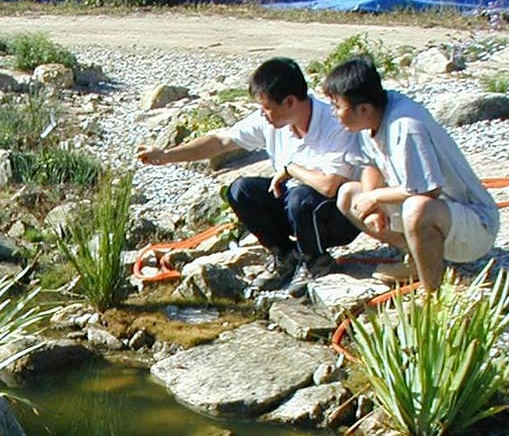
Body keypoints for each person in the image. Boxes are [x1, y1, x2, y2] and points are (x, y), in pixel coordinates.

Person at [136, 57, 363, 281]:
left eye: (266, 108)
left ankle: (315, 261)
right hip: (295, 207)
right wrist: (166, 156)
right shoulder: (271, 122)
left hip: (334, 216)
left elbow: (330, 185)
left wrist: (291, 169)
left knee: (301, 197)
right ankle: (285, 256)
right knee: (241, 190)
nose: (262, 114)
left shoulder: (334, 125)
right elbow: (221, 141)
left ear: (290, 102)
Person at [322, 57, 499, 291]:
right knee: (348, 195)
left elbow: (428, 190)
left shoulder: (406, 126)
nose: (334, 113)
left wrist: (375, 198)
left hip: (473, 225)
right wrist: (371, 206)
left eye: (337, 106)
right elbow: (371, 165)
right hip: (430, 210)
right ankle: (419, 260)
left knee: (417, 208)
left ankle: (433, 297)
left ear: (363, 108)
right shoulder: (371, 118)